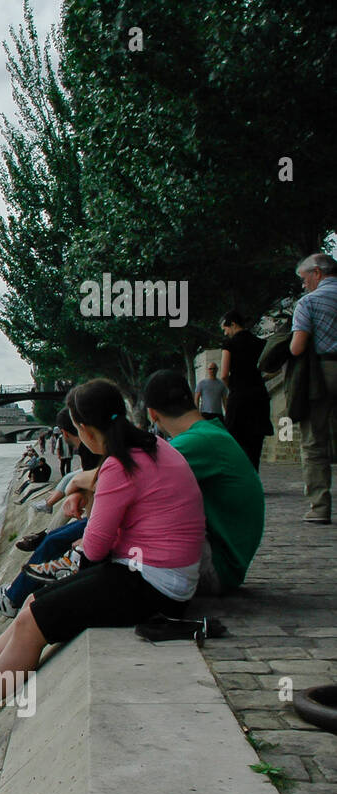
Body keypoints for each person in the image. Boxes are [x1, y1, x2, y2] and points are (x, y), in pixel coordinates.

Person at [0, 379, 204, 728]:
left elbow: (94, 547)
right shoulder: (149, 447)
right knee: (34, 603)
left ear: (84, 428)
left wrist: (86, 505)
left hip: (154, 586)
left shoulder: (119, 465)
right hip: (162, 575)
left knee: (34, 621)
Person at [143, 370, 265, 593]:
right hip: (224, 561)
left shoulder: (197, 442)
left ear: (152, 414)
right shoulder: (210, 433)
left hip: (218, 567)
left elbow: (124, 480)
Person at [290, 253, 337, 523]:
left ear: (317, 273)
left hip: (323, 373)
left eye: (304, 278)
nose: (304, 284)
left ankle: (320, 507)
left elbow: (297, 347)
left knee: (314, 442)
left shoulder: (309, 302)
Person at [219, 310, 272, 470]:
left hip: (239, 397)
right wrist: (258, 380)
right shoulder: (260, 343)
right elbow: (273, 369)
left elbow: (223, 374)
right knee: (255, 443)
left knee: (236, 441)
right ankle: (254, 476)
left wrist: (233, 387)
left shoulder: (229, 344)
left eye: (225, 329)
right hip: (258, 396)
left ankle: (241, 481)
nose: (225, 333)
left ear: (233, 324)